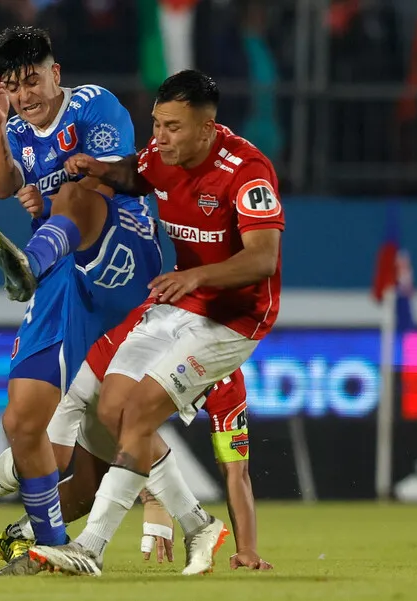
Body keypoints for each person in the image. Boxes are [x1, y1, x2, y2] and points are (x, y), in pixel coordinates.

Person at [28, 69, 285, 576]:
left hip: (233, 320)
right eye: (156, 124)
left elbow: (263, 260)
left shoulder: (247, 171)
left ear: (207, 129)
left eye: (172, 127)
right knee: (113, 407)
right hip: (182, 302)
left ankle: (90, 547)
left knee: (141, 411)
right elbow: (134, 174)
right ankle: (199, 524)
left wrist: (197, 278)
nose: (159, 137)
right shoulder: (161, 156)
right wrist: (96, 169)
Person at [0, 26, 163, 568]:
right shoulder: (18, 127)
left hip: (121, 258)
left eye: (33, 81)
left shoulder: (95, 106)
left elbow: (112, 185)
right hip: (60, 268)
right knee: (22, 422)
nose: (26, 95)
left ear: (56, 74)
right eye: (15, 87)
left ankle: (29, 263)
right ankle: (47, 545)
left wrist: (50, 204)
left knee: (77, 189)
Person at [0, 301, 273, 574]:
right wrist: (153, 499)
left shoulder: (228, 386)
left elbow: (237, 472)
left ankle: (21, 533)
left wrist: (247, 547)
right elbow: (125, 415)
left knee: (89, 486)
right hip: (83, 371)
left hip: (111, 404)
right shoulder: (156, 327)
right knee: (46, 456)